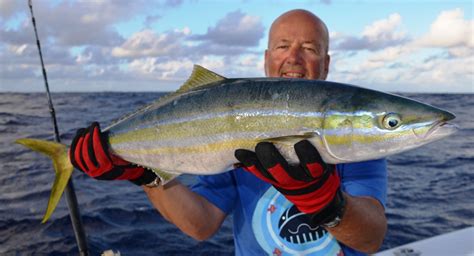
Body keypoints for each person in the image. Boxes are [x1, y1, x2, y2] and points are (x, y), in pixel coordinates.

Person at [70, 9, 387, 255]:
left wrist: (325, 201)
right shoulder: (232, 124)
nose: (294, 57)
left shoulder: (356, 147)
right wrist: (145, 176)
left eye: (309, 48)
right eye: (282, 46)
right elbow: (201, 224)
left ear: (326, 63)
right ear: (266, 58)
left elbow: (371, 240)